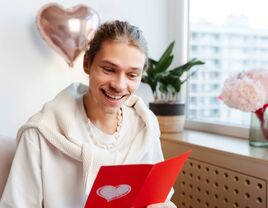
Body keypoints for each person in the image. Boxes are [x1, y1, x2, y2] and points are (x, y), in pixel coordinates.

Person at [0, 20, 176, 208]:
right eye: (108, 69)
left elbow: (159, 200)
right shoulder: (40, 134)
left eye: (132, 75)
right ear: (87, 63)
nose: (119, 85)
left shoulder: (145, 128)